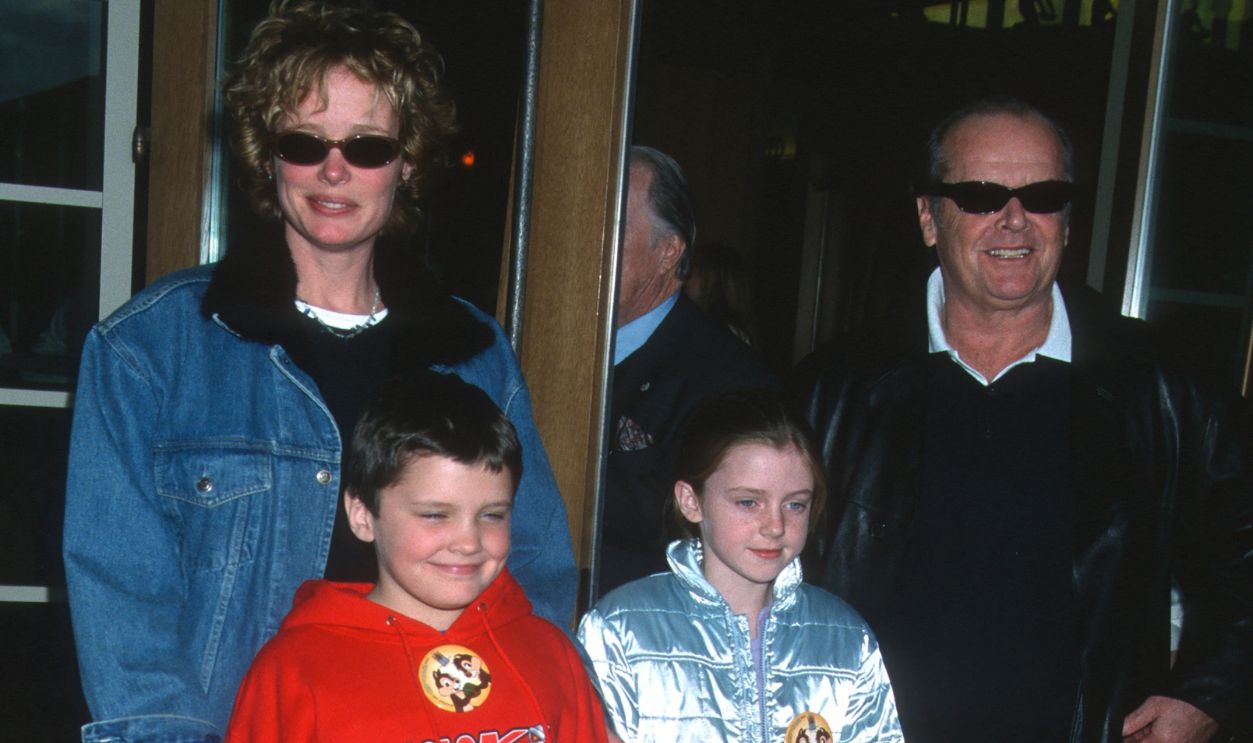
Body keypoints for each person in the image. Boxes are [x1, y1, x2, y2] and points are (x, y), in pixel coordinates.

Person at [62, 2, 575, 740]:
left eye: (367, 147)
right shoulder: (149, 352)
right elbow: (121, 599)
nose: (334, 170)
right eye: (304, 142)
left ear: (407, 161)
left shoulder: (474, 351)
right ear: (266, 156)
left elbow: (533, 570)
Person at [794, 99, 1253, 742]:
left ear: (1067, 219)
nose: (1014, 220)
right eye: (981, 196)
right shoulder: (833, 392)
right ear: (928, 217)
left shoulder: (1161, 387)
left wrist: (1208, 695)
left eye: (1041, 195)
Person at [223, 372, 607, 742]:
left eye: (492, 515)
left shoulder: (550, 653)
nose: (468, 541)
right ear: (362, 515)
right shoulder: (294, 671)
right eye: (435, 515)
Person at [579, 389, 902, 743]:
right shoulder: (621, 629)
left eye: (795, 505)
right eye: (749, 502)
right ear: (691, 502)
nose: (775, 526)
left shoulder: (844, 637)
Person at [602, 146, 776, 593]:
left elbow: (690, 530)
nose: (588, 243)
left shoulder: (726, 380)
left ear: (668, 251)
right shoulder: (552, 350)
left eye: (611, 228)